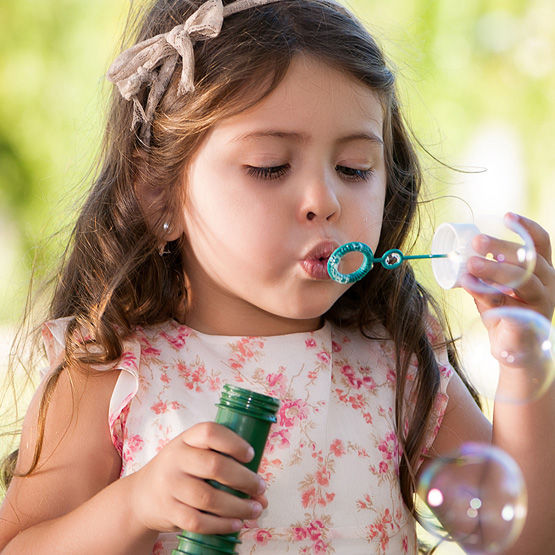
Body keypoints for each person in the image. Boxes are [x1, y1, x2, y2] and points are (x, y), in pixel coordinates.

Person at [0, 0, 553, 553]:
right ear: (159, 195)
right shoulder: (109, 370)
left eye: (355, 169)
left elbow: (526, 541)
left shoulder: (397, 365)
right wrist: (133, 505)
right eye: (270, 165)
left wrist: (524, 363)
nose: (324, 200)